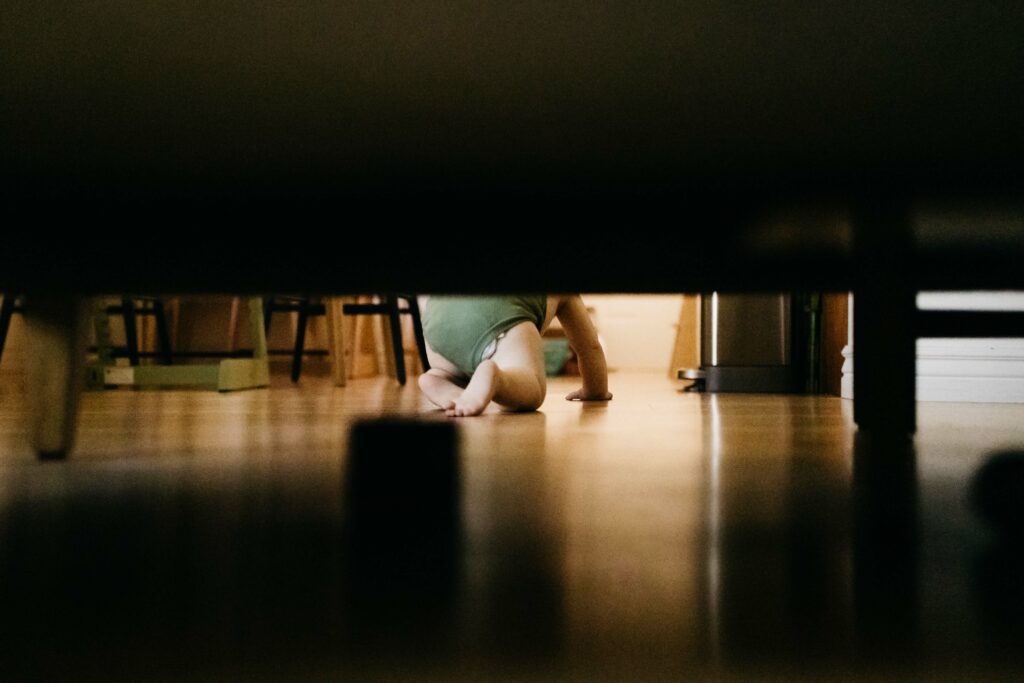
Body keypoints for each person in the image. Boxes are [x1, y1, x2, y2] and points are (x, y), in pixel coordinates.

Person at [418, 295, 612, 417]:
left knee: (445, 372)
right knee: (533, 388)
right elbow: (589, 348)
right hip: (500, 319)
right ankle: (497, 377)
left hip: (438, 322)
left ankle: (435, 379)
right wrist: (595, 391)